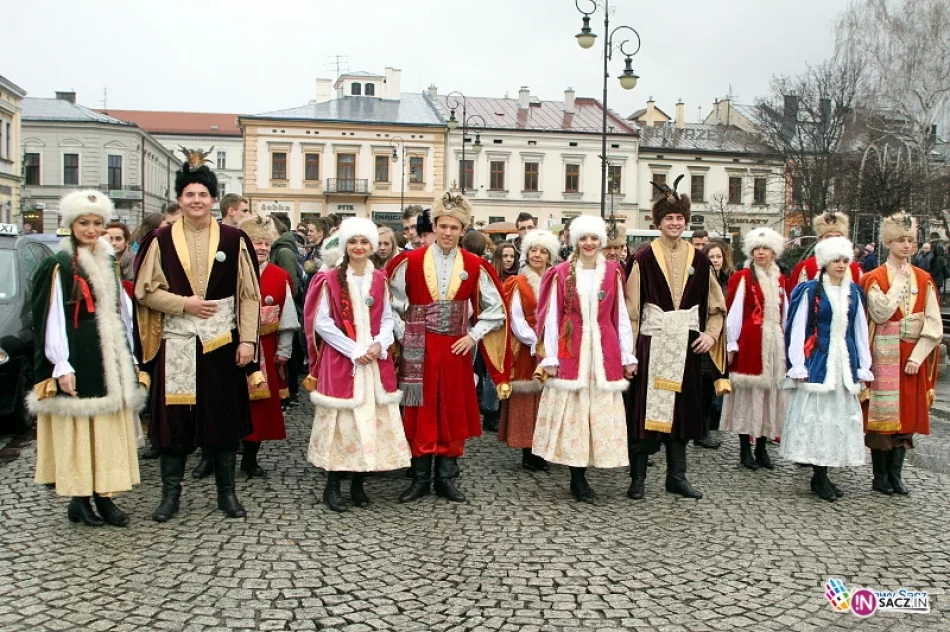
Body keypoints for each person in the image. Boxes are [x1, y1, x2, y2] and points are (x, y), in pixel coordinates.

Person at [134, 148, 262, 522]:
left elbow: (248, 294)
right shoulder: (160, 239)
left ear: (213, 199)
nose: (196, 200)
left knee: (222, 420)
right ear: (179, 199)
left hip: (221, 344)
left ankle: (227, 495)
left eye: (202, 194)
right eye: (189, 194)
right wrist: (183, 304)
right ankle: (169, 497)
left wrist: (248, 341)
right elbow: (145, 291)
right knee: (173, 424)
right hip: (176, 343)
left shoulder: (234, 238)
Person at [29, 190, 145, 526]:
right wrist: (61, 363)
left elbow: (121, 312)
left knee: (106, 429)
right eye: (84, 223)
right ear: (71, 224)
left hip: (109, 355)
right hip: (79, 354)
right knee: (81, 429)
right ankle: (79, 498)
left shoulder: (107, 260)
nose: (91, 229)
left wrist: (130, 356)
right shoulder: (59, 264)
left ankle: (104, 495)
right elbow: (51, 317)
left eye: (97, 223)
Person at [387, 191, 511, 503]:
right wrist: (405, 333)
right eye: (443, 226)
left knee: (452, 409)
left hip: (456, 348)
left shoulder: (475, 264)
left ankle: (445, 477)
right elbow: (391, 304)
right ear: (434, 226)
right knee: (419, 408)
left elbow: (496, 308)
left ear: (462, 230)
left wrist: (473, 336)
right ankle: (419, 478)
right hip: (419, 347)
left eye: (454, 228)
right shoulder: (410, 261)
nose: (447, 232)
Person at [624, 176, 728, 501]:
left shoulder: (701, 261)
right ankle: (638, 479)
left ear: (686, 221)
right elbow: (631, 310)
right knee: (645, 414)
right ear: (658, 222)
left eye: (679, 218)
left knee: (683, 414)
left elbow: (717, 307)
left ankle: (677, 477)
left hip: (686, 349)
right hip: (651, 346)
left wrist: (710, 336)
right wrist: (629, 354)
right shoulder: (642, 259)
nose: (674, 223)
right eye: (668, 218)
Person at [305, 218, 411, 511]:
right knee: (343, 424)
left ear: (372, 246)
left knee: (369, 422)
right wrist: (354, 350)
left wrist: (380, 343)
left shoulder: (379, 279)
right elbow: (322, 322)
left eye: (364, 242)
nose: (359, 247)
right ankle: (332, 487)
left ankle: (358, 485)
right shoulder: (329, 279)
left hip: (373, 362)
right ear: (345, 246)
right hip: (343, 360)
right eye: (353, 242)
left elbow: (387, 318)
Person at [532, 216, 634, 501]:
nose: (589, 243)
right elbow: (552, 317)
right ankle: (577, 478)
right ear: (575, 241)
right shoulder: (561, 273)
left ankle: (595, 463)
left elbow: (620, 315)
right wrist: (551, 356)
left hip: (604, 350)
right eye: (583, 238)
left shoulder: (613, 272)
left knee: (598, 414)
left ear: (601, 241)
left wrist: (627, 354)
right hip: (572, 349)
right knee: (574, 416)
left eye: (593, 238)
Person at [781, 236, 873, 501]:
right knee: (817, 418)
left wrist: (863, 364)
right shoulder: (810, 290)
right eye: (836, 260)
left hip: (844, 361)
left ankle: (825, 473)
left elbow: (859, 330)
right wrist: (797, 364)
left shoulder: (853, 292)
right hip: (818, 359)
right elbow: (796, 328)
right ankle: (819, 475)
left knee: (837, 419)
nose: (841, 265)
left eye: (845, 260)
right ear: (825, 263)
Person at [861, 211, 941, 496]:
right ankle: (880, 476)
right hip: (883, 354)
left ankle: (896, 475)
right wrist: (898, 281)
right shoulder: (873, 277)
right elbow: (881, 312)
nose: (907, 246)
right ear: (888, 243)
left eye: (910, 241)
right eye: (900, 240)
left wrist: (918, 356)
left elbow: (933, 322)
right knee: (882, 417)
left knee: (906, 414)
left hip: (910, 354)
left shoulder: (924, 278)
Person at [722, 228, 788, 470]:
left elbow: (785, 313)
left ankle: (761, 446)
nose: (761, 253)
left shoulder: (780, 279)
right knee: (749, 395)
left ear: (774, 252)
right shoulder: (742, 277)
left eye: (766, 249)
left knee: (769, 394)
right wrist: (731, 344)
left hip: (774, 343)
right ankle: (744, 449)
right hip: (751, 342)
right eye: (757, 249)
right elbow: (734, 314)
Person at [239, 215, 299, 478]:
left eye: (265, 243)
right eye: (256, 243)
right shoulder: (231, 272)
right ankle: (215, 457)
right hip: (234, 350)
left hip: (267, 348)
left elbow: (287, 318)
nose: (262, 248)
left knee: (260, 409)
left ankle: (250, 458)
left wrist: (284, 350)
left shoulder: (279, 276)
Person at [498, 229, 559, 470]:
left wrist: (552, 342)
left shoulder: (557, 281)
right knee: (528, 397)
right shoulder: (518, 282)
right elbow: (515, 317)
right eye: (533, 250)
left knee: (549, 398)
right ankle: (529, 449)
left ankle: (547, 447)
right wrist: (535, 340)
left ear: (549, 256)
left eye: (543, 251)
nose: (537, 255)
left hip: (554, 347)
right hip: (528, 347)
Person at [696, 240, 733, 449]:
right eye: (711, 257)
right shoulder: (701, 279)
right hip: (706, 336)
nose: (716, 260)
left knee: (712, 388)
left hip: (722, 338)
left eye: (719, 256)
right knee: (702, 387)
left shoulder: (727, 280)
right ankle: (700, 431)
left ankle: (707, 429)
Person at [788, 212, 862, 291]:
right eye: (828, 237)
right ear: (819, 239)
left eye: (838, 236)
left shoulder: (855, 268)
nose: (833, 240)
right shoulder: (806, 267)